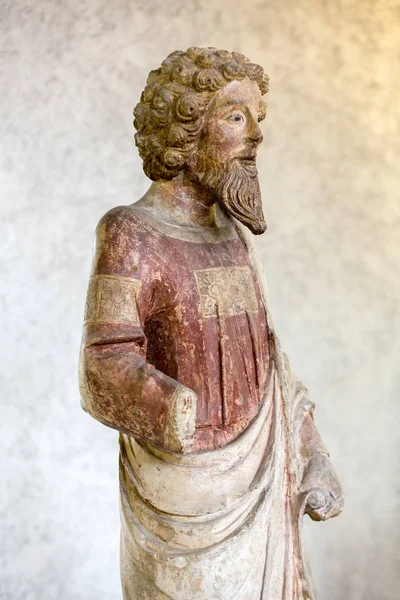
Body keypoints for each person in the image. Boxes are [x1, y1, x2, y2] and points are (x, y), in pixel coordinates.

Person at [79, 47, 344, 600]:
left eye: (257, 119)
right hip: (181, 502)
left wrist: (313, 454)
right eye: (236, 116)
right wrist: (173, 407)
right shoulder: (131, 233)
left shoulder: (234, 238)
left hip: (264, 486)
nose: (255, 136)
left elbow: (276, 371)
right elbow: (103, 360)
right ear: (184, 127)